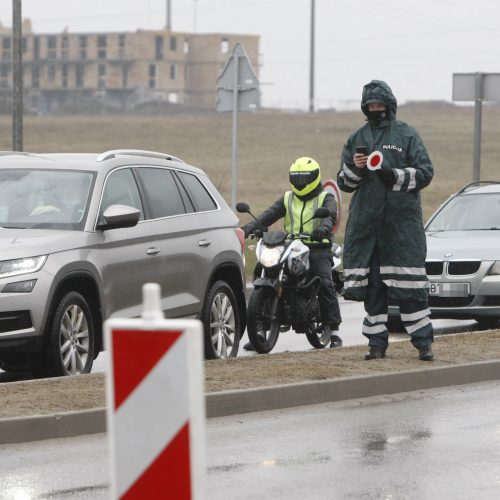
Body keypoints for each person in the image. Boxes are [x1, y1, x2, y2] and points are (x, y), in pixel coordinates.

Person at [337, 80, 434, 361]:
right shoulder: (357, 137)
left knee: (411, 288)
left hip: (401, 228)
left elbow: (426, 173)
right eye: (371, 106)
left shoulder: (406, 134)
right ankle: (376, 344)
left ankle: (423, 343)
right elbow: (345, 183)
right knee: (374, 289)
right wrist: (355, 168)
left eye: (380, 105)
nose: (376, 109)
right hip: (367, 228)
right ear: (365, 108)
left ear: (389, 105)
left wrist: (395, 175)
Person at [241, 156, 342, 350]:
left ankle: (335, 331)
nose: (300, 182)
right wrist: (249, 228)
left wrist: (324, 228)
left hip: (317, 246)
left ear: (314, 178)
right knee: (264, 268)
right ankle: (259, 331)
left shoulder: (325, 197)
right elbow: (268, 215)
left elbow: (330, 214)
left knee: (324, 282)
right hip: (291, 245)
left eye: (304, 178)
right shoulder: (288, 198)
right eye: (297, 178)